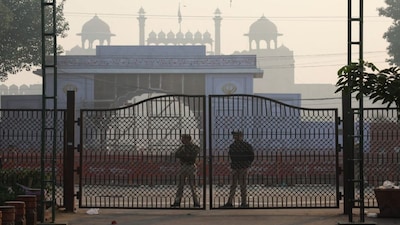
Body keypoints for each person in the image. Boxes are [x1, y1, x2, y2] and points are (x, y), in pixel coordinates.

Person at [221, 130, 254, 208]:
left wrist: (247, 165)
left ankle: (244, 203)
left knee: (243, 185)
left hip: (242, 167)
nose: (234, 137)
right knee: (233, 185)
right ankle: (229, 202)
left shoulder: (246, 145)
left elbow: (251, 156)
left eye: (236, 135)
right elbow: (231, 156)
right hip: (235, 167)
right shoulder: (232, 145)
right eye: (234, 135)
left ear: (241, 136)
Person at [171, 134, 200, 208]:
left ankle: (196, 202)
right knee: (180, 185)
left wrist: (184, 155)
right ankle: (177, 201)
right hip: (183, 166)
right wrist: (185, 155)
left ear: (188, 139)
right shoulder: (182, 147)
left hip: (190, 166)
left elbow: (192, 156)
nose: (182, 140)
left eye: (183, 138)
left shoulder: (194, 147)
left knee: (192, 185)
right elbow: (176, 154)